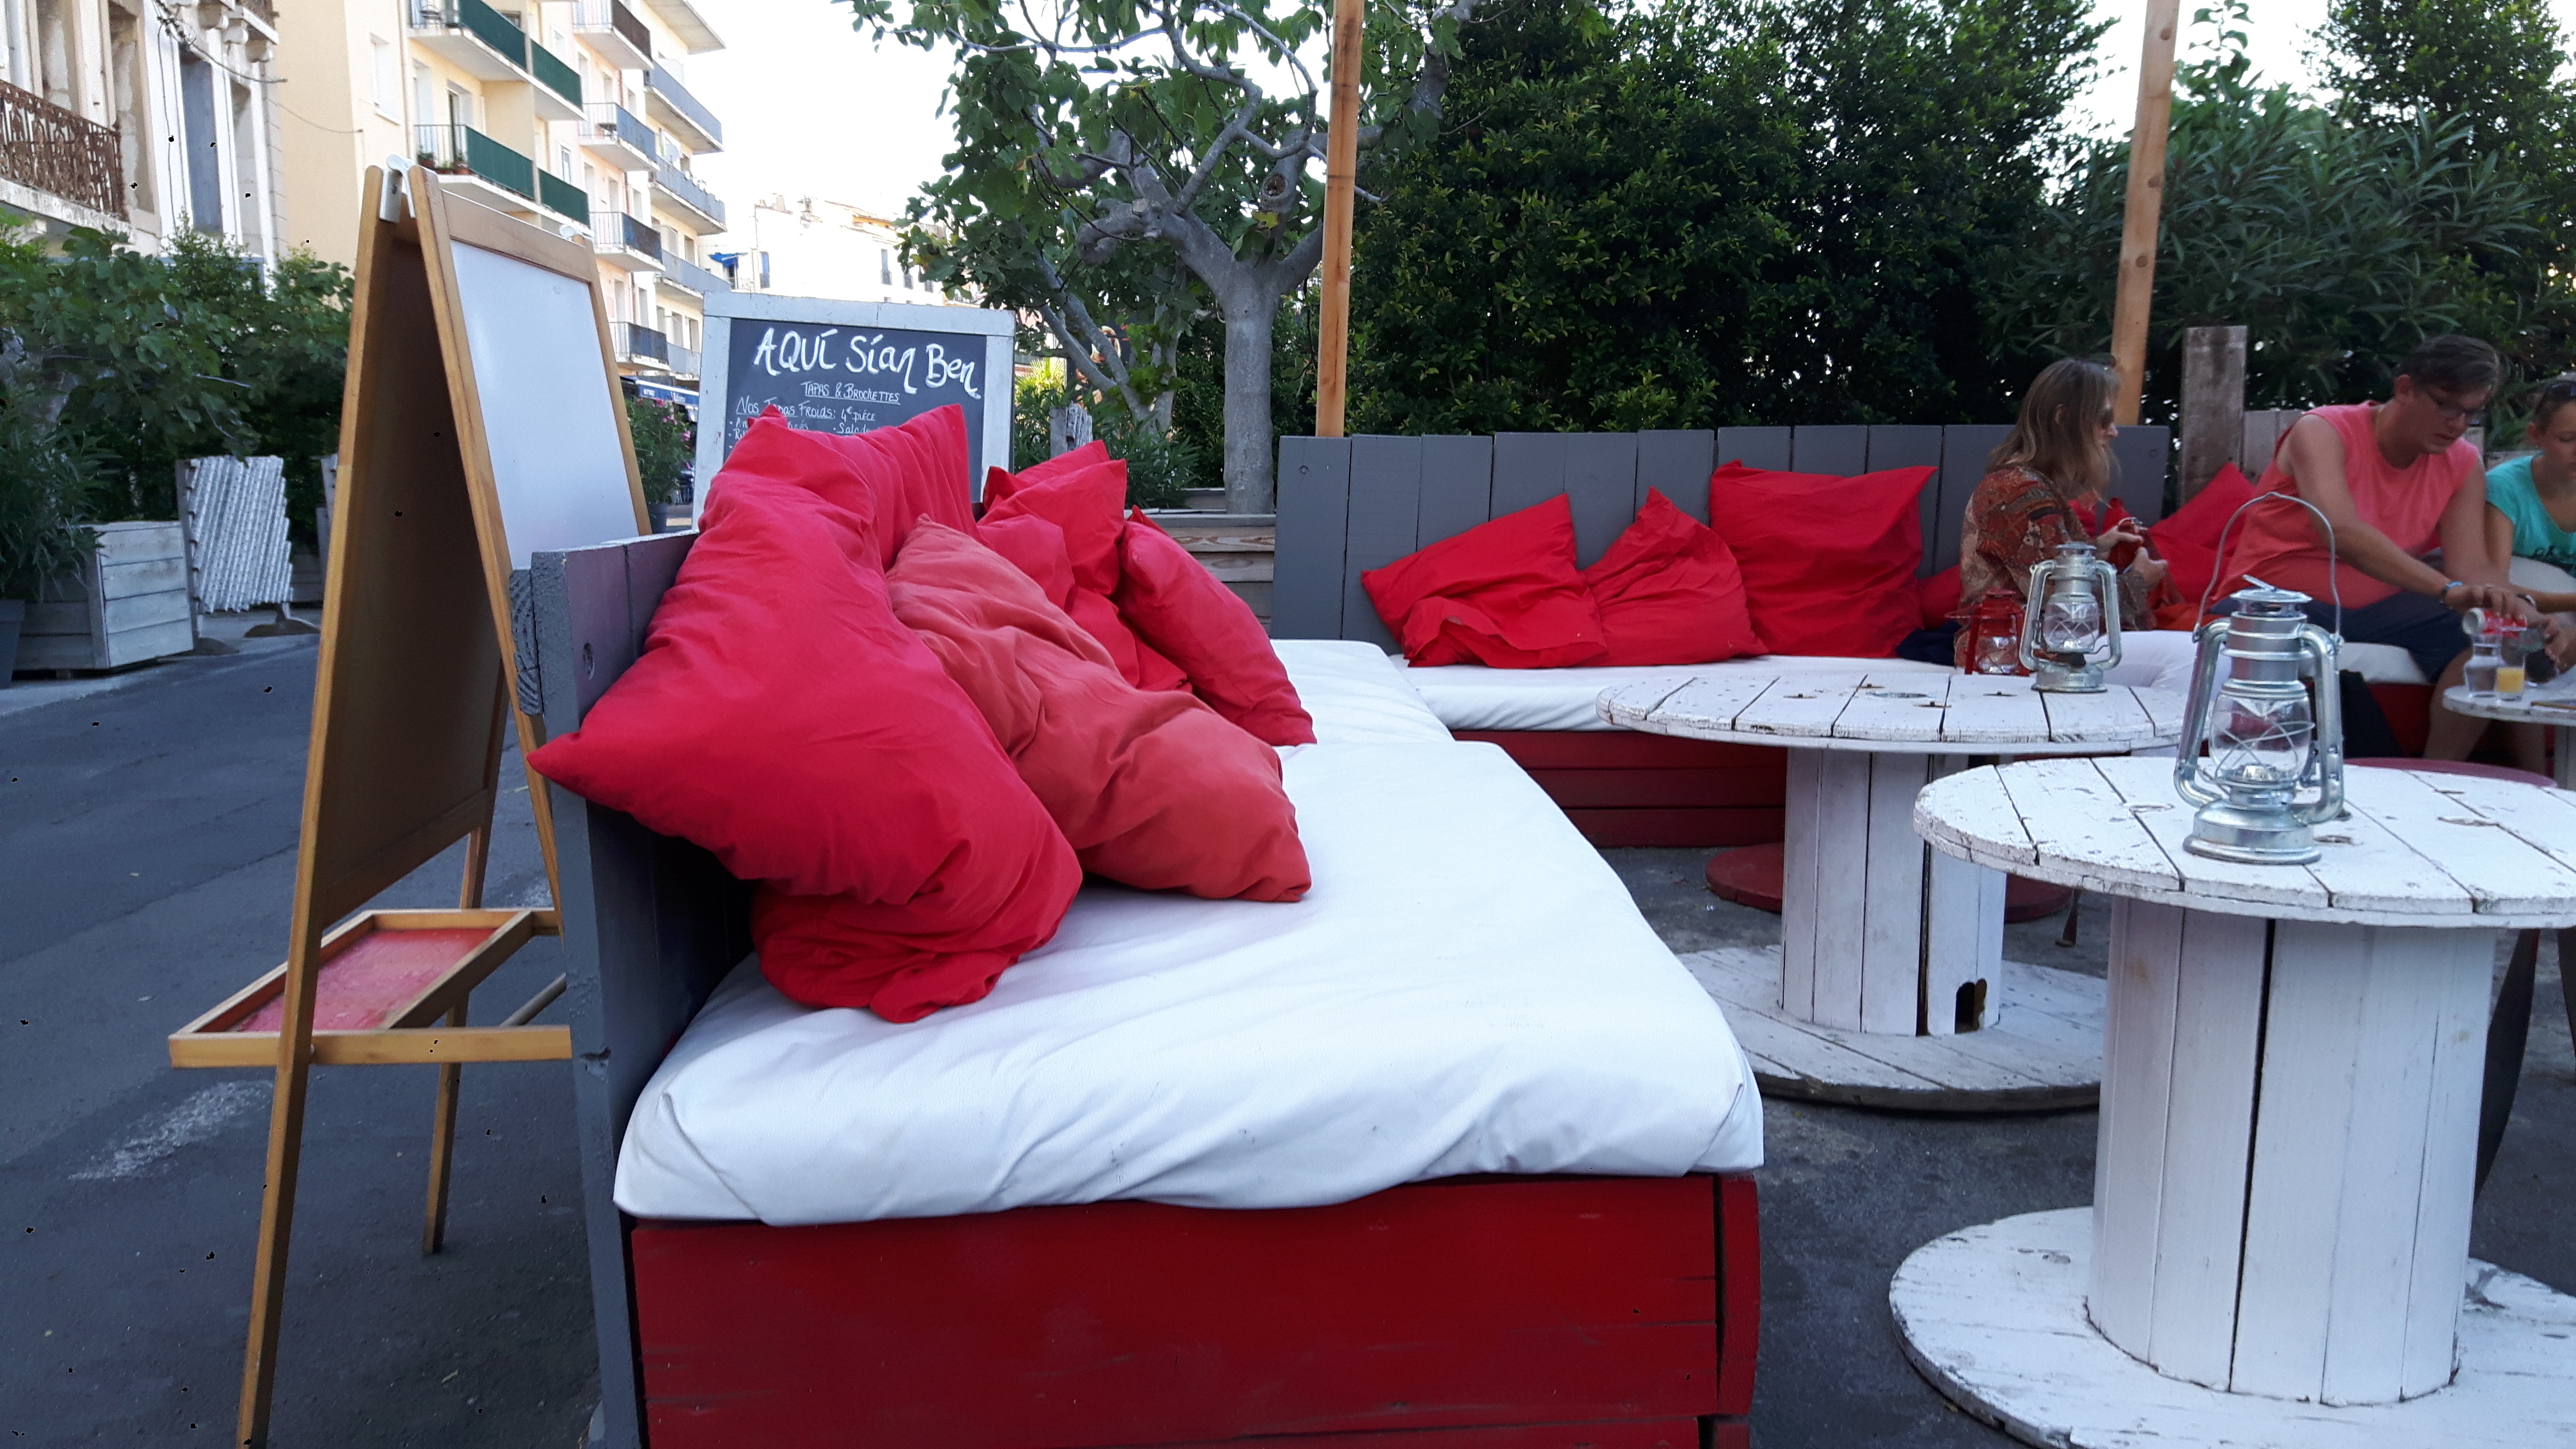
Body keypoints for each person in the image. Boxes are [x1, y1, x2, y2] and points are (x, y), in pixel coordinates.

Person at [2222, 334, 2534, 760]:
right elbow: (2341, 531)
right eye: (2447, 406)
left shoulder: (2463, 460)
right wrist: (2445, 590)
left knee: (2502, 635)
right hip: (2276, 599)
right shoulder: (2324, 429)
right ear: (2405, 389)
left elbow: (2472, 566)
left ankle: (2437, 776)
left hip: (2385, 610)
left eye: (2471, 413)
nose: (2458, 424)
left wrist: (2528, 615)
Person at [1954, 358, 2196, 686]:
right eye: (2103, 420)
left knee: (2199, 652)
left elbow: (2043, 570)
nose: (2113, 432)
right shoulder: (2020, 492)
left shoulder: (2022, 484)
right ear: (2063, 418)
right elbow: (2067, 613)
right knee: (2194, 656)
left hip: (2032, 647)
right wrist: (2140, 581)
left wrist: (2097, 548)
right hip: (2019, 655)